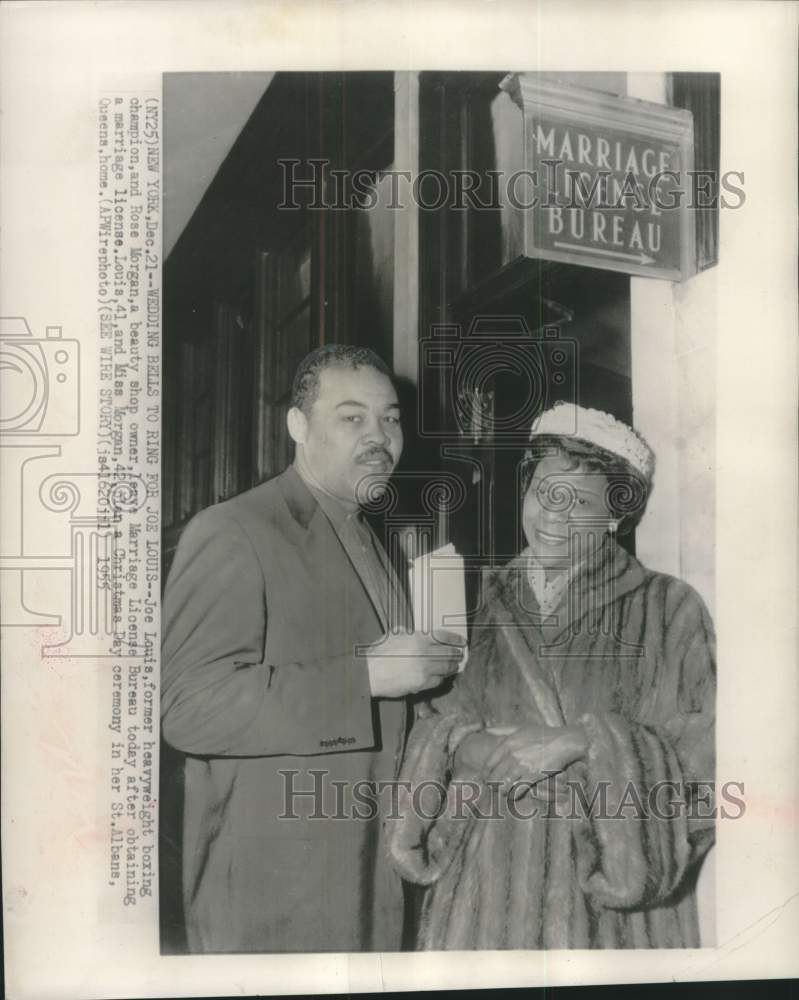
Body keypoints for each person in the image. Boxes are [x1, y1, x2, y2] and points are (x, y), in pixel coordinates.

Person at [161, 344, 464, 953]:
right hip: (273, 895)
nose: (379, 436)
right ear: (298, 427)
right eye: (351, 417)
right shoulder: (234, 530)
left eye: (391, 418)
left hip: (368, 870)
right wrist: (366, 678)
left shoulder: (369, 536)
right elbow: (189, 707)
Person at [387, 402, 716, 950]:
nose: (553, 516)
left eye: (581, 501)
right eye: (544, 491)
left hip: (612, 919)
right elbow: (422, 724)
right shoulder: (469, 600)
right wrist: (457, 747)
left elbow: (707, 759)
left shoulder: (668, 608)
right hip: (483, 904)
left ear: (617, 515)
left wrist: (582, 742)